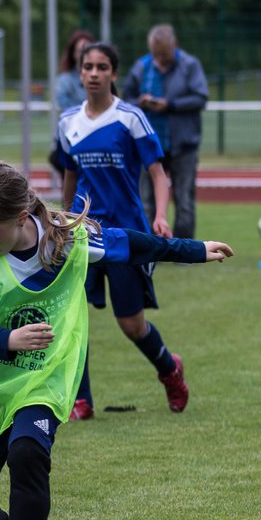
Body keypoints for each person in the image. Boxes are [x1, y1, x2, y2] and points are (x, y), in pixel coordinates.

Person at [0, 161, 233, 520]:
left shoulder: (67, 240)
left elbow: (131, 245)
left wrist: (193, 250)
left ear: (20, 217)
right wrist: (8, 340)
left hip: (46, 378)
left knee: (27, 455)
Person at [57, 42, 189, 421]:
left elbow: (158, 173)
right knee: (71, 316)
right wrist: (65, 221)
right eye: (88, 67)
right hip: (83, 234)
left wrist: (161, 215)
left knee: (131, 324)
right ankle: (80, 399)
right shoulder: (68, 121)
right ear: (80, 73)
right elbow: (70, 174)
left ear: (114, 74)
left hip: (126, 234)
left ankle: (169, 369)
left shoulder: (131, 117)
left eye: (102, 67)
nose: (94, 73)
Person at [119, 24, 209, 241]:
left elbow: (200, 97)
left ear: (174, 45)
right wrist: (140, 103)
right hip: (148, 146)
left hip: (183, 144)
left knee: (184, 199)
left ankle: (184, 248)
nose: (160, 58)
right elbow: (124, 98)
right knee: (146, 200)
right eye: (156, 54)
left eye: (164, 54)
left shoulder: (190, 66)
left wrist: (171, 105)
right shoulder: (142, 66)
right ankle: (150, 247)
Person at [49, 29, 96, 176]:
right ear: (73, 54)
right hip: (75, 139)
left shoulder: (100, 78)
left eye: (87, 50)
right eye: (80, 50)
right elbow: (65, 107)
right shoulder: (66, 81)